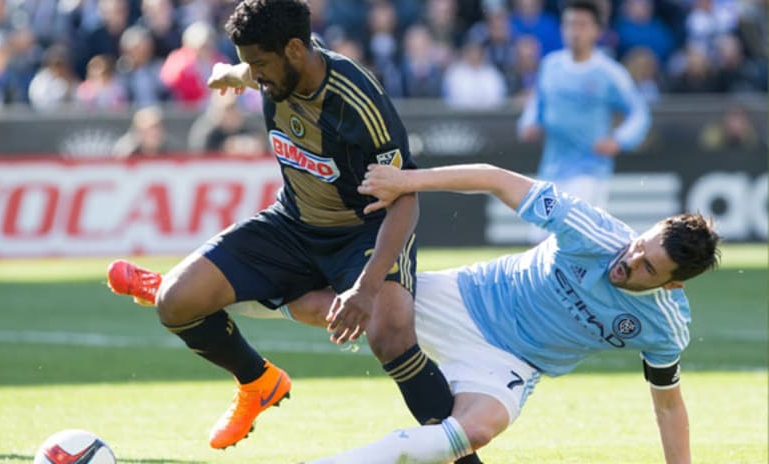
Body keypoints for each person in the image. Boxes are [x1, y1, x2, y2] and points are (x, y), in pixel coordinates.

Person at [107, 2, 481, 462]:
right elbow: (251, 71)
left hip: (363, 232)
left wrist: (365, 289)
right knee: (176, 302)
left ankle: (464, 458)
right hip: (293, 224)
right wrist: (229, 72)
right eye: (251, 64)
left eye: (260, 64)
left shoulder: (356, 101)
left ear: (295, 49)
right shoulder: (274, 69)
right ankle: (257, 381)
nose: (257, 76)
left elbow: (405, 198)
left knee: (390, 333)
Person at [256, 162, 715, 463]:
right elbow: (496, 178)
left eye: (646, 267)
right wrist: (407, 181)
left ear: (671, 284)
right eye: (638, 246)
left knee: (477, 429)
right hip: (468, 297)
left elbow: (669, 407)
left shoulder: (665, 326)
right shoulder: (592, 231)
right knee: (326, 305)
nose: (627, 261)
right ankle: (218, 305)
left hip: (513, 363)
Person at [518, 0, 650, 240]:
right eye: (569, 24)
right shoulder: (550, 66)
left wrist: (620, 140)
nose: (574, 31)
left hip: (589, 170)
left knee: (571, 238)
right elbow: (537, 103)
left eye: (582, 25)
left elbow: (639, 113)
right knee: (537, 240)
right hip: (551, 168)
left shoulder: (609, 72)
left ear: (596, 31)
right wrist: (528, 123)